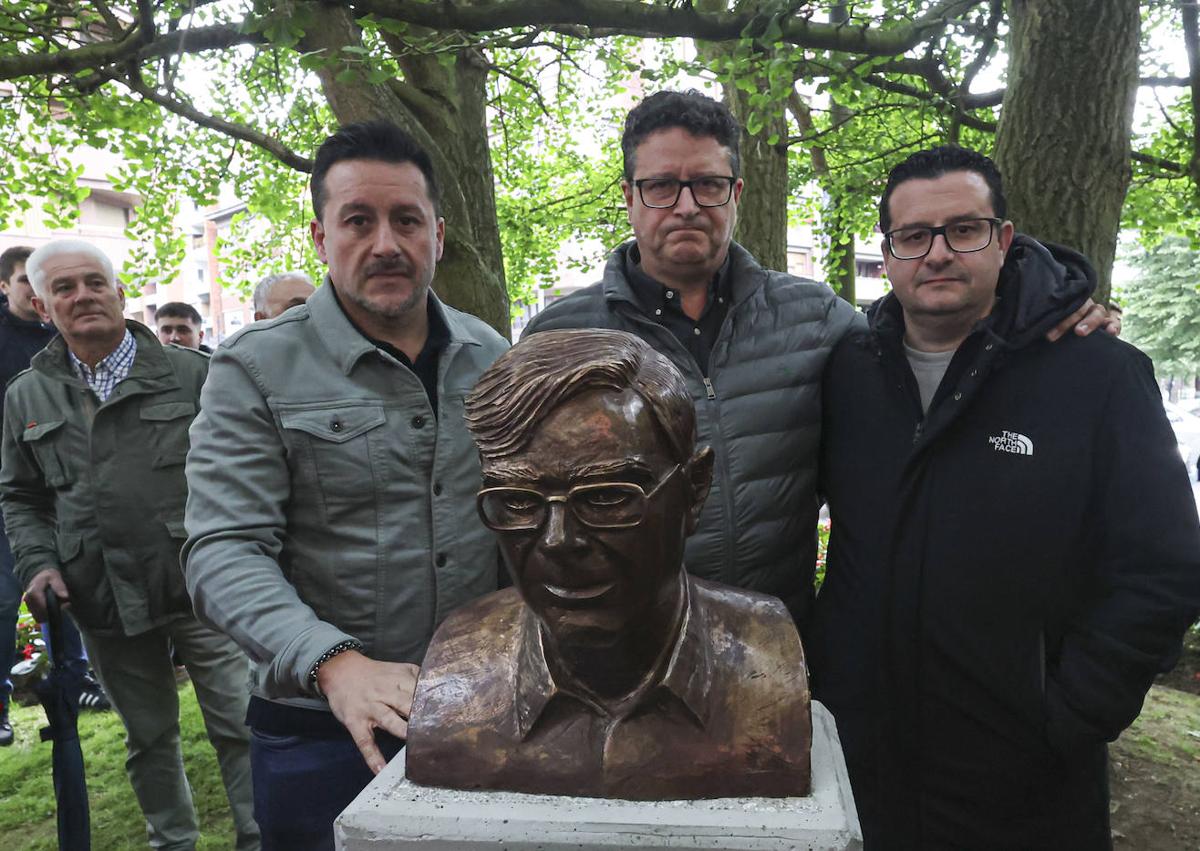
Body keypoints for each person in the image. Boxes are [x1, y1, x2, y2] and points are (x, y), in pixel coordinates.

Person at [523, 90, 1111, 626]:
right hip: (623, 643)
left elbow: (932, 323)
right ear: (629, 197)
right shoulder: (558, 339)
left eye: (707, 184)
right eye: (660, 186)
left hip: (778, 642)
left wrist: (1046, 298)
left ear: (736, 194)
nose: (686, 206)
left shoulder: (815, 318)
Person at [810, 146, 1200, 848]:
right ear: (889, 251)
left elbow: (1161, 566)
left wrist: (1074, 712)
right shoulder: (846, 373)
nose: (937, 253)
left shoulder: (1100, 374)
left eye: (964, 229)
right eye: (914, 235)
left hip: (1027, 784)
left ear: (1006, 239)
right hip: (864, 765)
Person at [182, 120, 508, 850]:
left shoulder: (492, 357)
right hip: (322, 735)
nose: (385, 243)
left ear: (439, 234)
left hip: (478, 712)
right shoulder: (254, 368)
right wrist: (333, 661)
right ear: (321, 238)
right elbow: (221, 551)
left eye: (407, 220)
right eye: (357, 221)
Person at [406, 329, 810, 800]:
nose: (558, 541)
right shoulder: (458, 674)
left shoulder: (765, 664)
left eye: (606, 498)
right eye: (518, 502)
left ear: (694, 490)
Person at [0, 239, 259, 850]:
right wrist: (38, 565)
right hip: (102, 597)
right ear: (41, 305)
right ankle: (172, 843)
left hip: (204, 588)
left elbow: (245, 475)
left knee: (240, 726)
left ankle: (261, 837)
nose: (82, 295)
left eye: (95, 282)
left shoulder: (195, 374)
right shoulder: (25, 397)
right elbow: (21, 498)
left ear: (120, 292)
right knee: (148, 738)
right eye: (64, 288)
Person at [0, 245, 108, 748]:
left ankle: (75, 674)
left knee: (74, 583)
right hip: (17, 488)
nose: (77, 297)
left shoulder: (64, 339)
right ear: (9, 287)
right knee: (13, 596)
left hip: (70, 489)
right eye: (28, 281)